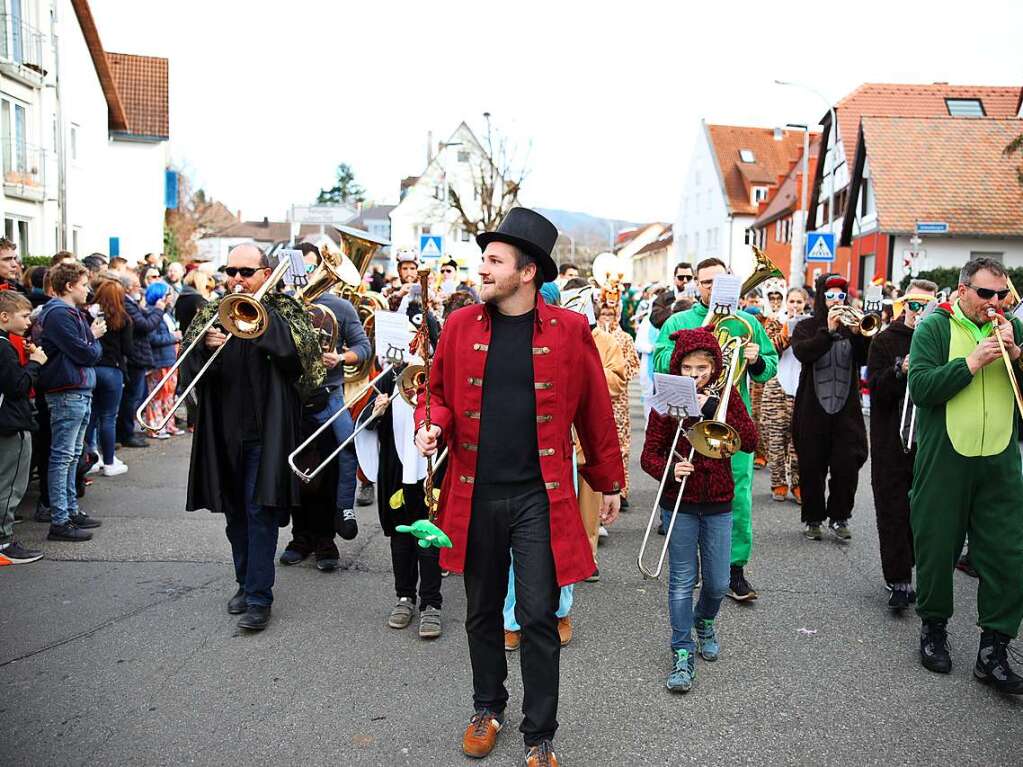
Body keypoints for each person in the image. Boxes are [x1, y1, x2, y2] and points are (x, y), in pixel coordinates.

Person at [414, 208, 623, 767]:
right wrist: (431, 422)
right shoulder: (459, 327)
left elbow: (595, 414)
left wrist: (607, 483)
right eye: (483, 258)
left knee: (537, 615)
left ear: (526, 272)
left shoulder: (570, 331)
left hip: (540, 496)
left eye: (494, 260)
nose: (482, 268)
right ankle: (487, 707)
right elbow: (435, 393)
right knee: (481, 610)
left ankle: (540, 735)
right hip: (474, 491)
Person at [179, 243, 324, 632]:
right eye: (231, 271)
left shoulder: (286, 311)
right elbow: (186, 377)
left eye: (246, 272)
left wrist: (259, 328)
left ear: (265, 274)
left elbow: (303, 367)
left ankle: (260, 597)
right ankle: (244, 582)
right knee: (234, 513)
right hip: (223, 432)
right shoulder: (211, 313)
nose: (237, 279)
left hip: (267, 432)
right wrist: (202, 348)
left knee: (260, 511)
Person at [908, 258, 1023, 692]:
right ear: (962, 291)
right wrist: (971, 363)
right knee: (937, 546)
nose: (994, 303)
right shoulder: (935, 328)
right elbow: (921, 388)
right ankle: (934, 629)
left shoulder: (1012, 329)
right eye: (984, 294)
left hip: (999, 459)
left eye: (1001, 295)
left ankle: (993, 648)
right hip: (947, 457)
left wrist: (1015, 354)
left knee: (1008, 554)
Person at [653, 257, 778, 601]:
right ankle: (689, 564)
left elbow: (769, 369)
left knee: (737, 494)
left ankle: (734, 569)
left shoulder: (747, 322)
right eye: (706, 282)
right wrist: (702, 335)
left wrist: (755, 358)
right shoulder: (678, 320)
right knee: (687, 490)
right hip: (685, 418)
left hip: (729, 421)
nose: (712, 288)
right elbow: (660, 364)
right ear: (696, 285)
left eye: (719, 282)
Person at [641, 328, 756, 693]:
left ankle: (704, 621)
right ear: (678, 366)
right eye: (687, 367)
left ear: (714, 367)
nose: (694, 375)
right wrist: (670, 470)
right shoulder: (668, 399)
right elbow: (649, 455)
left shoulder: (726, 394)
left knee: (719, 582)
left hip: (719, 501)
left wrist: (718, 412)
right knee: (680, 581)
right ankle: (681, 651)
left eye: (701, 368)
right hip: (681, 503)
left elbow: (750, 441)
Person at [279, 242, 371, 571]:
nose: (302, 275)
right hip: (291, 397)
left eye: (309, 267)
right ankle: (300, 535)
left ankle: (332, 529)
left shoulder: (341, 307)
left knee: (344, 450)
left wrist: (341, 357)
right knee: (296, 470)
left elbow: (363, 347)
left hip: (328, 393)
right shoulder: (283, 305)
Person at [866, 279, 937, 611]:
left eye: (926, 306)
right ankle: (898, 579)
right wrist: (900, 369)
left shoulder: (941, 339)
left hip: (930, 441)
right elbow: (875, 389)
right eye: (914, 304)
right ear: (904, 305)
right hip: (891, 442)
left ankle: (918, 573)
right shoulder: (884, 341)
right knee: (892, 510)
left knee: (922, 515)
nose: (918, 312)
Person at [790, 274, 869, 542]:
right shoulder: (806, 326)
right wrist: (828, 330)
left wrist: (861, 336)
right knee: (812, 466)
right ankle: (813, 518)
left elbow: (865, 358)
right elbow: (804, 353)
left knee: (847, 465)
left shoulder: (853, 327)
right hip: (812, 410)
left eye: (840, 295)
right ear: (821, 298)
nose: (836, 300)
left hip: (846, 411)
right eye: (831, 295)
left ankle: (840, 517)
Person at [36, 261, 106, 542]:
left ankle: (70, 511)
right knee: (63, 456)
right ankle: (60, 519)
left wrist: (91, 341)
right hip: (67, 390)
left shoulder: (68, 313)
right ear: (69, 286)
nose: (88, 289)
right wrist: (94, 337)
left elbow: (87, 350)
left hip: (77, 388)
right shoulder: (59, 314)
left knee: (72, 455)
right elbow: (86, 353)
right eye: (83, 283)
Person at [0, 290, 46, 564]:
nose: (29, 321)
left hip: (7, 422)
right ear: (5, 317)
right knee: (10, 484)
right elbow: (17, 386)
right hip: (10, 424)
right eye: (24, 315)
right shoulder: (4, 346)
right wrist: (34, 363)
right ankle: (3, 541)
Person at [763, 287, 806, 503]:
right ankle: (778, 482)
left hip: (801, 387)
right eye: (792, 301)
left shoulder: (809, 325)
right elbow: (769, 349)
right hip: (776, 386)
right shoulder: (773, 321)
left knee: (799, 439)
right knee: (775, 437)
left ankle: (798, 483)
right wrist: (786, 332)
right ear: (786, 302)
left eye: (799, 302)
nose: (795, 306)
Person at [86, 278, 133, 476]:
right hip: (112, 370)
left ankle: (91, 457)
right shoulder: (124, 318)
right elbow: (128, 349)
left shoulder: (88, 315)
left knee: (92, 416)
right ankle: (109, 461)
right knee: (108, 417)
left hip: (92, 369)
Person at [596, 293, 639, 509]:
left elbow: (633, 366)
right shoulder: (592, 336)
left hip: (618, 399)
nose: (606, 317)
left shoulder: (625, 338)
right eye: (603, 313)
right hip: (596, 397)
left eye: (610, 314)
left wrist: (617, 369)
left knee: (621, 443)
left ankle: (621, 489)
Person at [117, 271, 167, 448]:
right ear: (129, 287)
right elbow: (145, 325)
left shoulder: (133, 303)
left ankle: (126, 431)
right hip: (135, 355)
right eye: (137, 285)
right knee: (132, 397)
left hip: (138, 354)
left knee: (135, 396)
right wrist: (160, 310)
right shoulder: (127, 303)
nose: (140, 288)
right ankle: (125, 433)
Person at [142, 282, 183, 438]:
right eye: (167, 295)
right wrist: (173, 337)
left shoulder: (167, 313)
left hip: (170, 358)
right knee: (157, 395)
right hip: (159, 359)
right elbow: (152, 338)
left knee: (169, 395)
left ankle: (168, 424)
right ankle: (155, 426)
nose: (171, 297)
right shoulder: (153, 313)